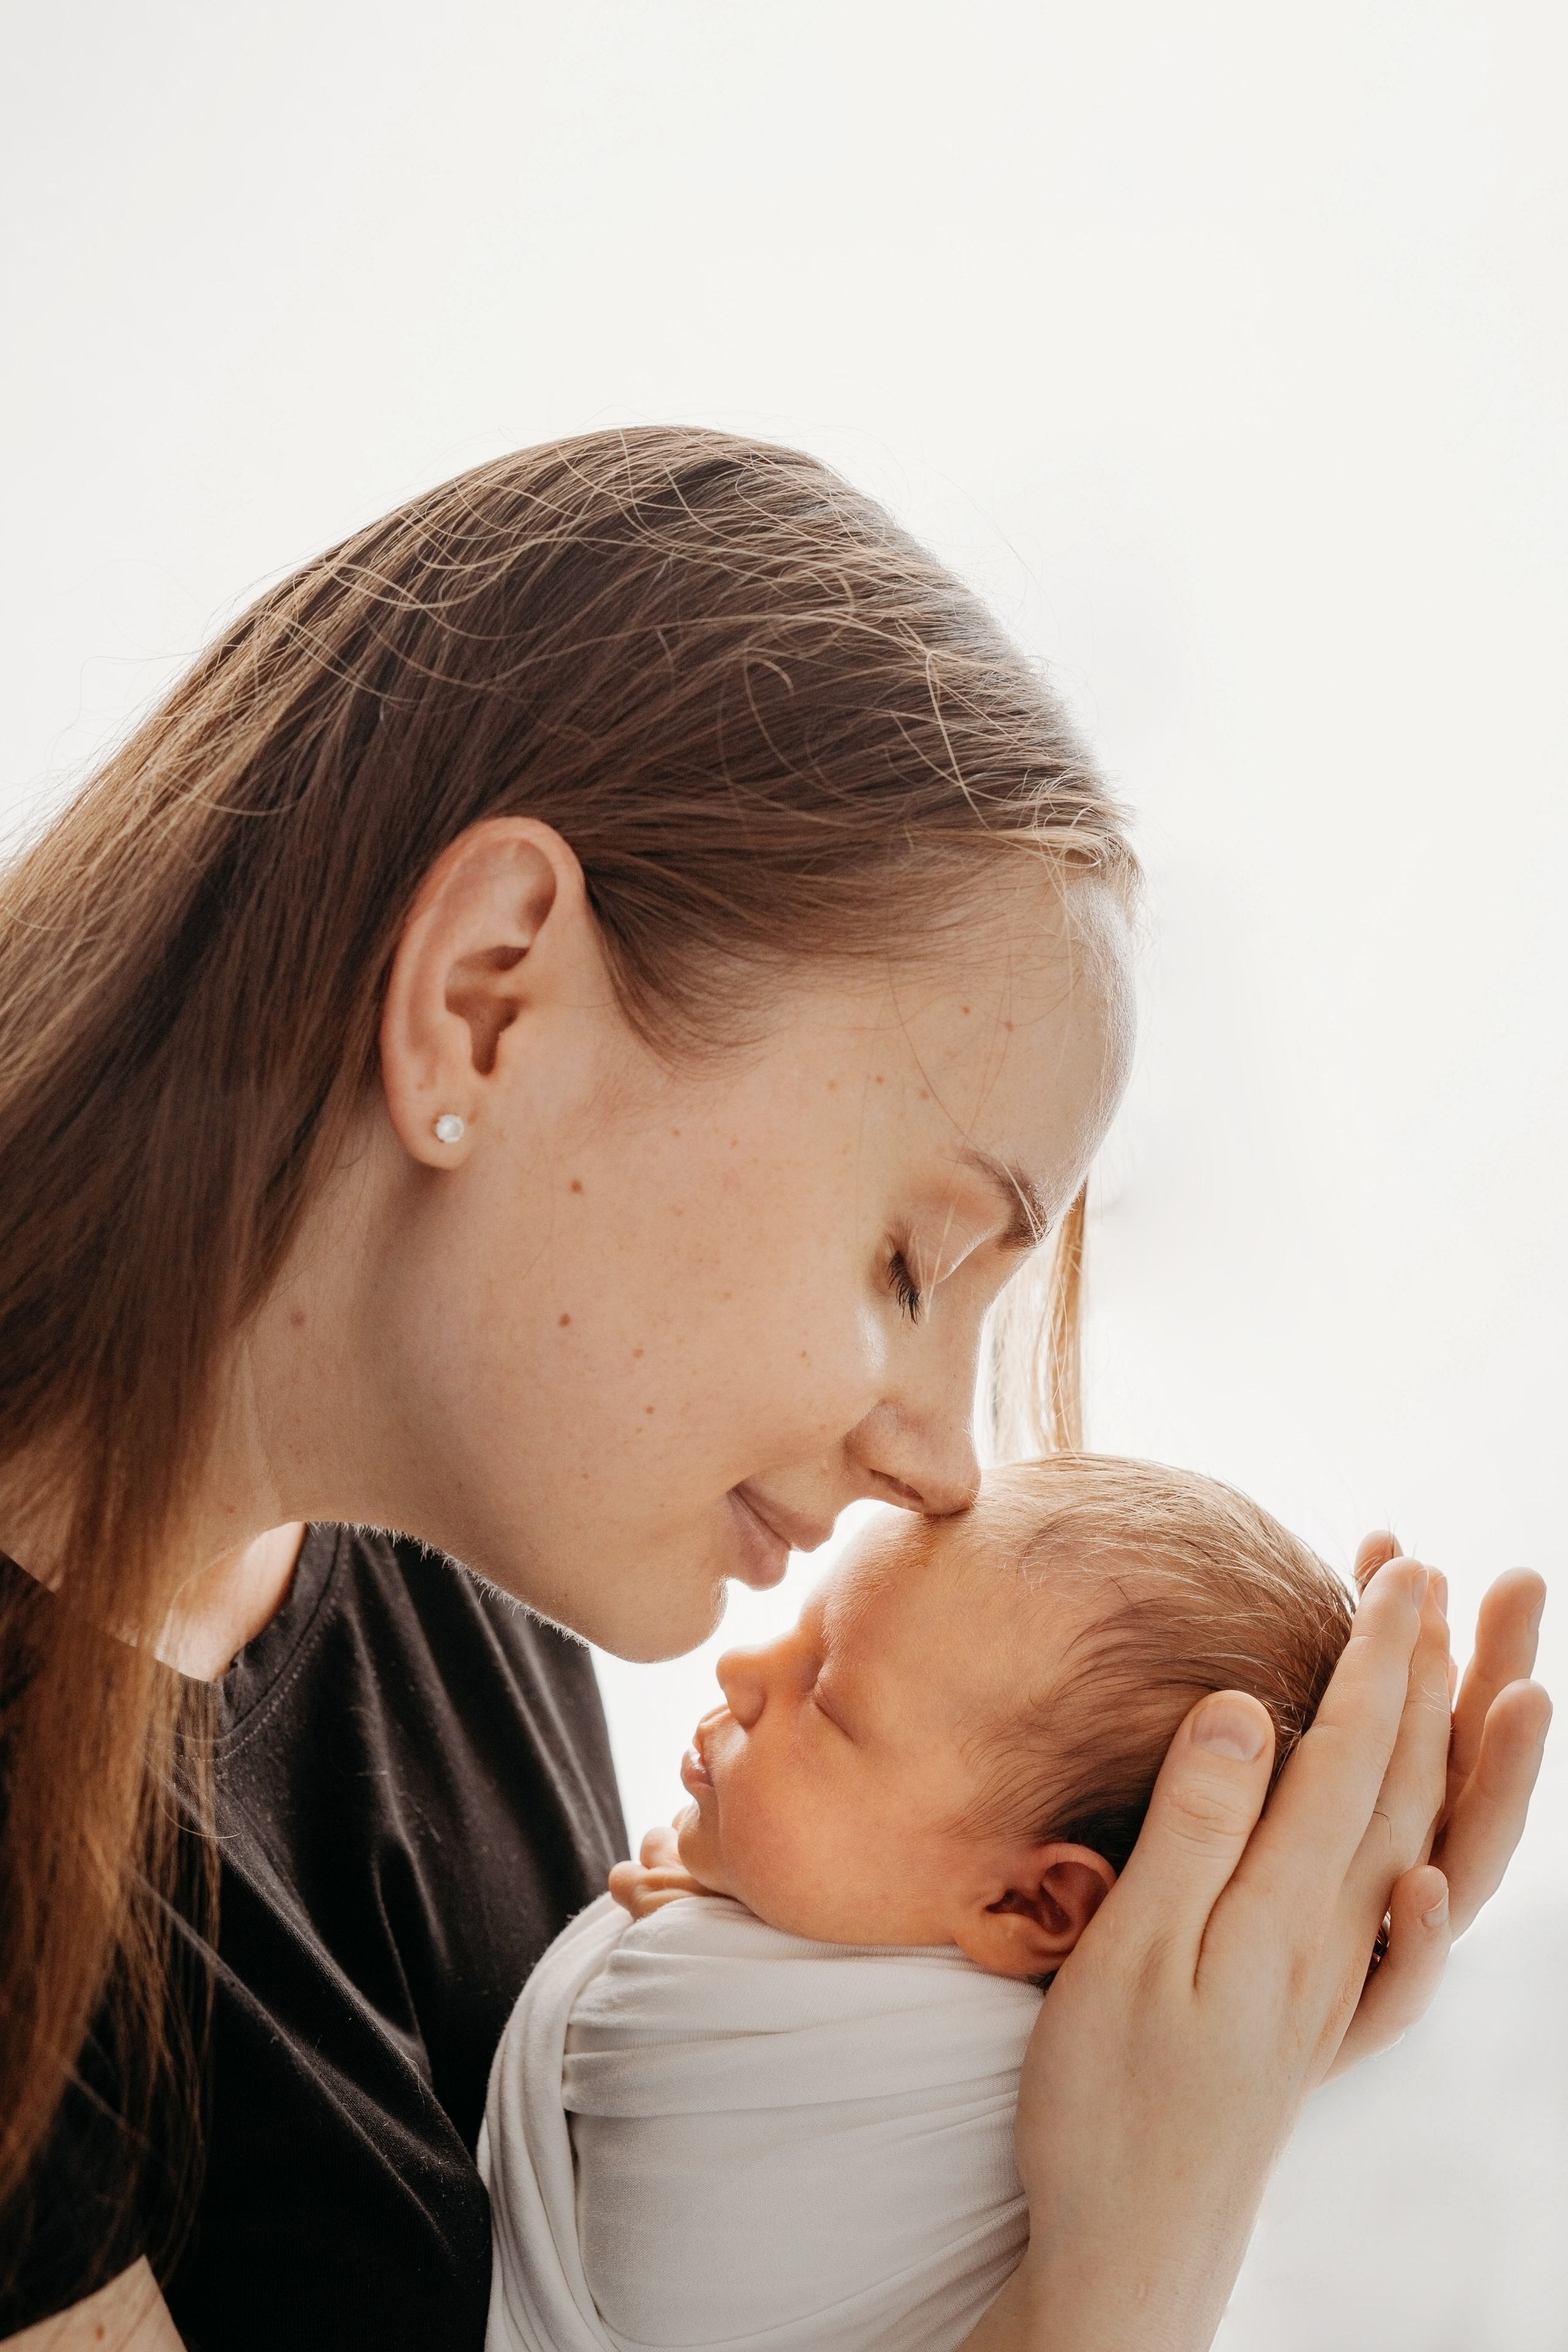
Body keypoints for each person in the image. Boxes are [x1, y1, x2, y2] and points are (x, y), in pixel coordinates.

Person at [0, 429, 1548, 2352]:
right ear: (487, 998)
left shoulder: (452, 1587)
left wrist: (1176, 2032)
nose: (946, 1458)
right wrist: (1136, 2265)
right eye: (911, 1263)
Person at [478, 1453, 1422, 2352]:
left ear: (1037, 1905)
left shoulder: (864, 2062)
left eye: (828, 1695)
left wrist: (688, 1940)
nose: (742, 1670)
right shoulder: (1133, 2091)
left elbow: (651, 2164)